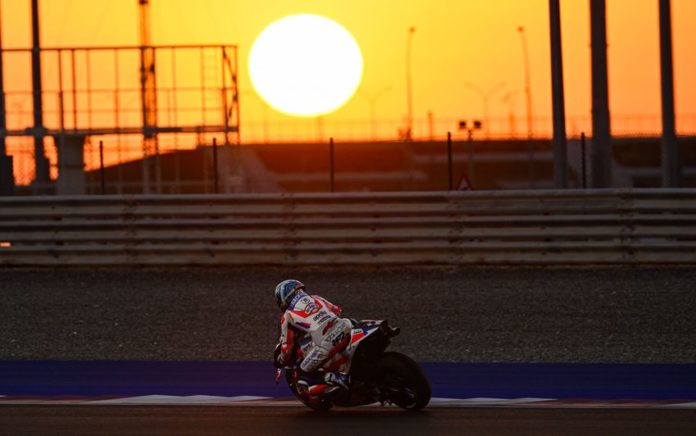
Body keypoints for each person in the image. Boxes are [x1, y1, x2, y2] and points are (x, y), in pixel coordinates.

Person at [274, 279, 353, 399]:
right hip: (346, 325)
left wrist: (281, 360)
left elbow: (287, 348)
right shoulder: (316, 298)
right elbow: (337, 310)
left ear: (284, 298)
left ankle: (337, 378)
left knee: (303, 372)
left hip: (326, 343)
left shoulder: (287, 315)